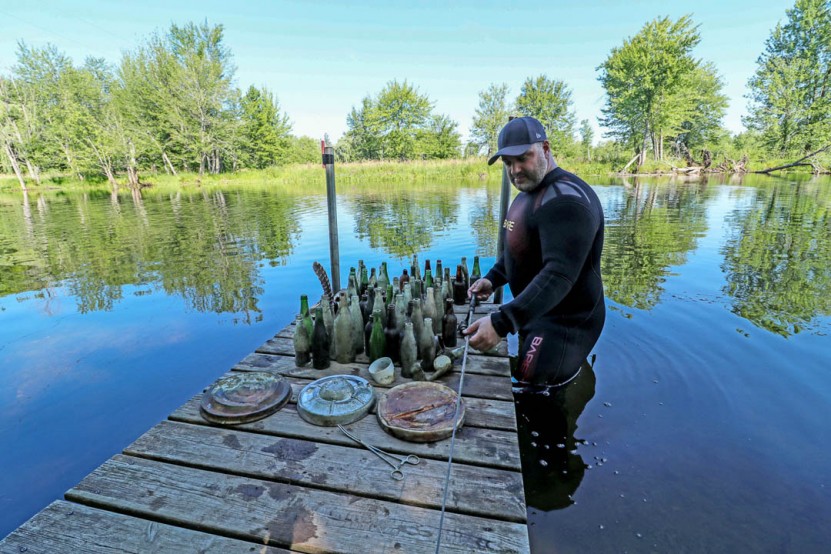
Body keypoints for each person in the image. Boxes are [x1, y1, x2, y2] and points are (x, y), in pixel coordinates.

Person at [464, 116, 605, 390]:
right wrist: (493, 278)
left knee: (534, 392)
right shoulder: (528, 190)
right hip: (536, 311)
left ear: (546, 149)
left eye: (523, 158)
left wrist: (502, 322)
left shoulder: (566, 201)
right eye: (508, 163)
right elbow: (519, 252)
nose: (515, 170)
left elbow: (558, 275)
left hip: (564, 324)